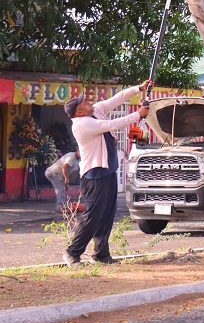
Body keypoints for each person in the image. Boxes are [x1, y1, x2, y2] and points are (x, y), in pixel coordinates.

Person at [62, 80, 152, 266]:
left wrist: (139, 88)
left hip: (107, 170)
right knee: (93, 215)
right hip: (94, 175)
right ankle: (73, 253)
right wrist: (138, 114)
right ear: (78, 112)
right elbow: (113, 124)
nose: (89, 103)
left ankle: (101, 254)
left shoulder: (94, 111)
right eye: (84, 103)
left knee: (107, 214)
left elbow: (117, 98)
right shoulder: (81, 124)